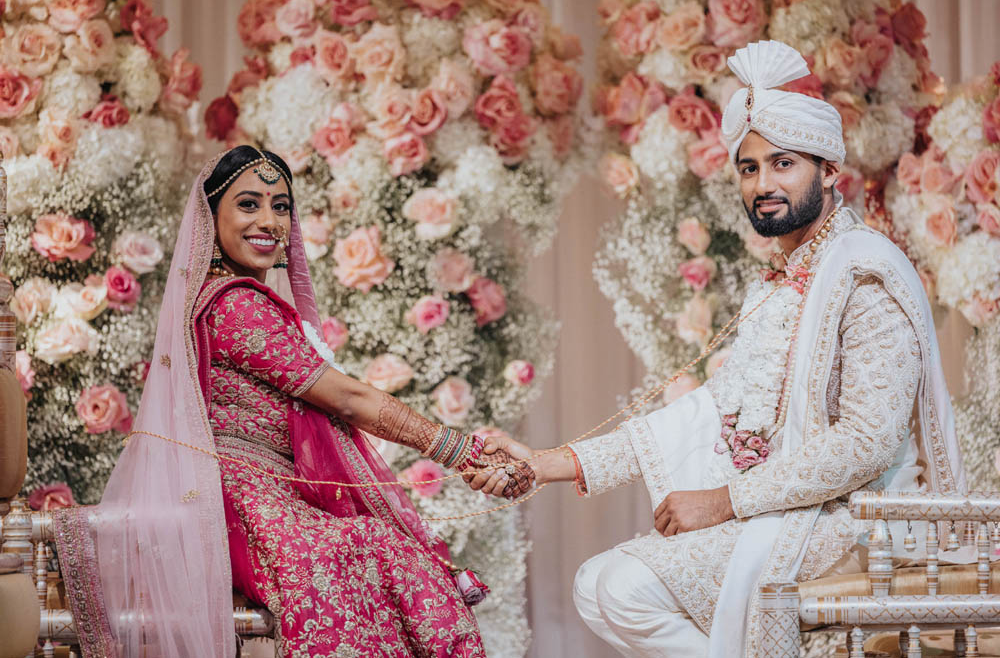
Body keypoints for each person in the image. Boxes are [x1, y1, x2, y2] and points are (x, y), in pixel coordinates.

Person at [469, 40, 966, 657]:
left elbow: (867, 442)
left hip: (862, 518)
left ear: (830, 171)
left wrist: (723, 502)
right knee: (598, 585)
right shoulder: (782, 281)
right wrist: (549, 463)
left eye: (784, 164)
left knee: (621, 587)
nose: (763, 184)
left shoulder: (864, 275)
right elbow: (709, 411)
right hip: (793, 508)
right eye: (749, 168)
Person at [52, 146, 533, 658]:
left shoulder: (240, 299)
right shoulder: (235, 304)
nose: (269, 220)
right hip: (238, 502)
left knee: (380, 551)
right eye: (249, 204)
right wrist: (462, 452)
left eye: (281, 206)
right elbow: (347, 398)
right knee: (367, 549)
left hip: (265, 496)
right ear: (211, 217)